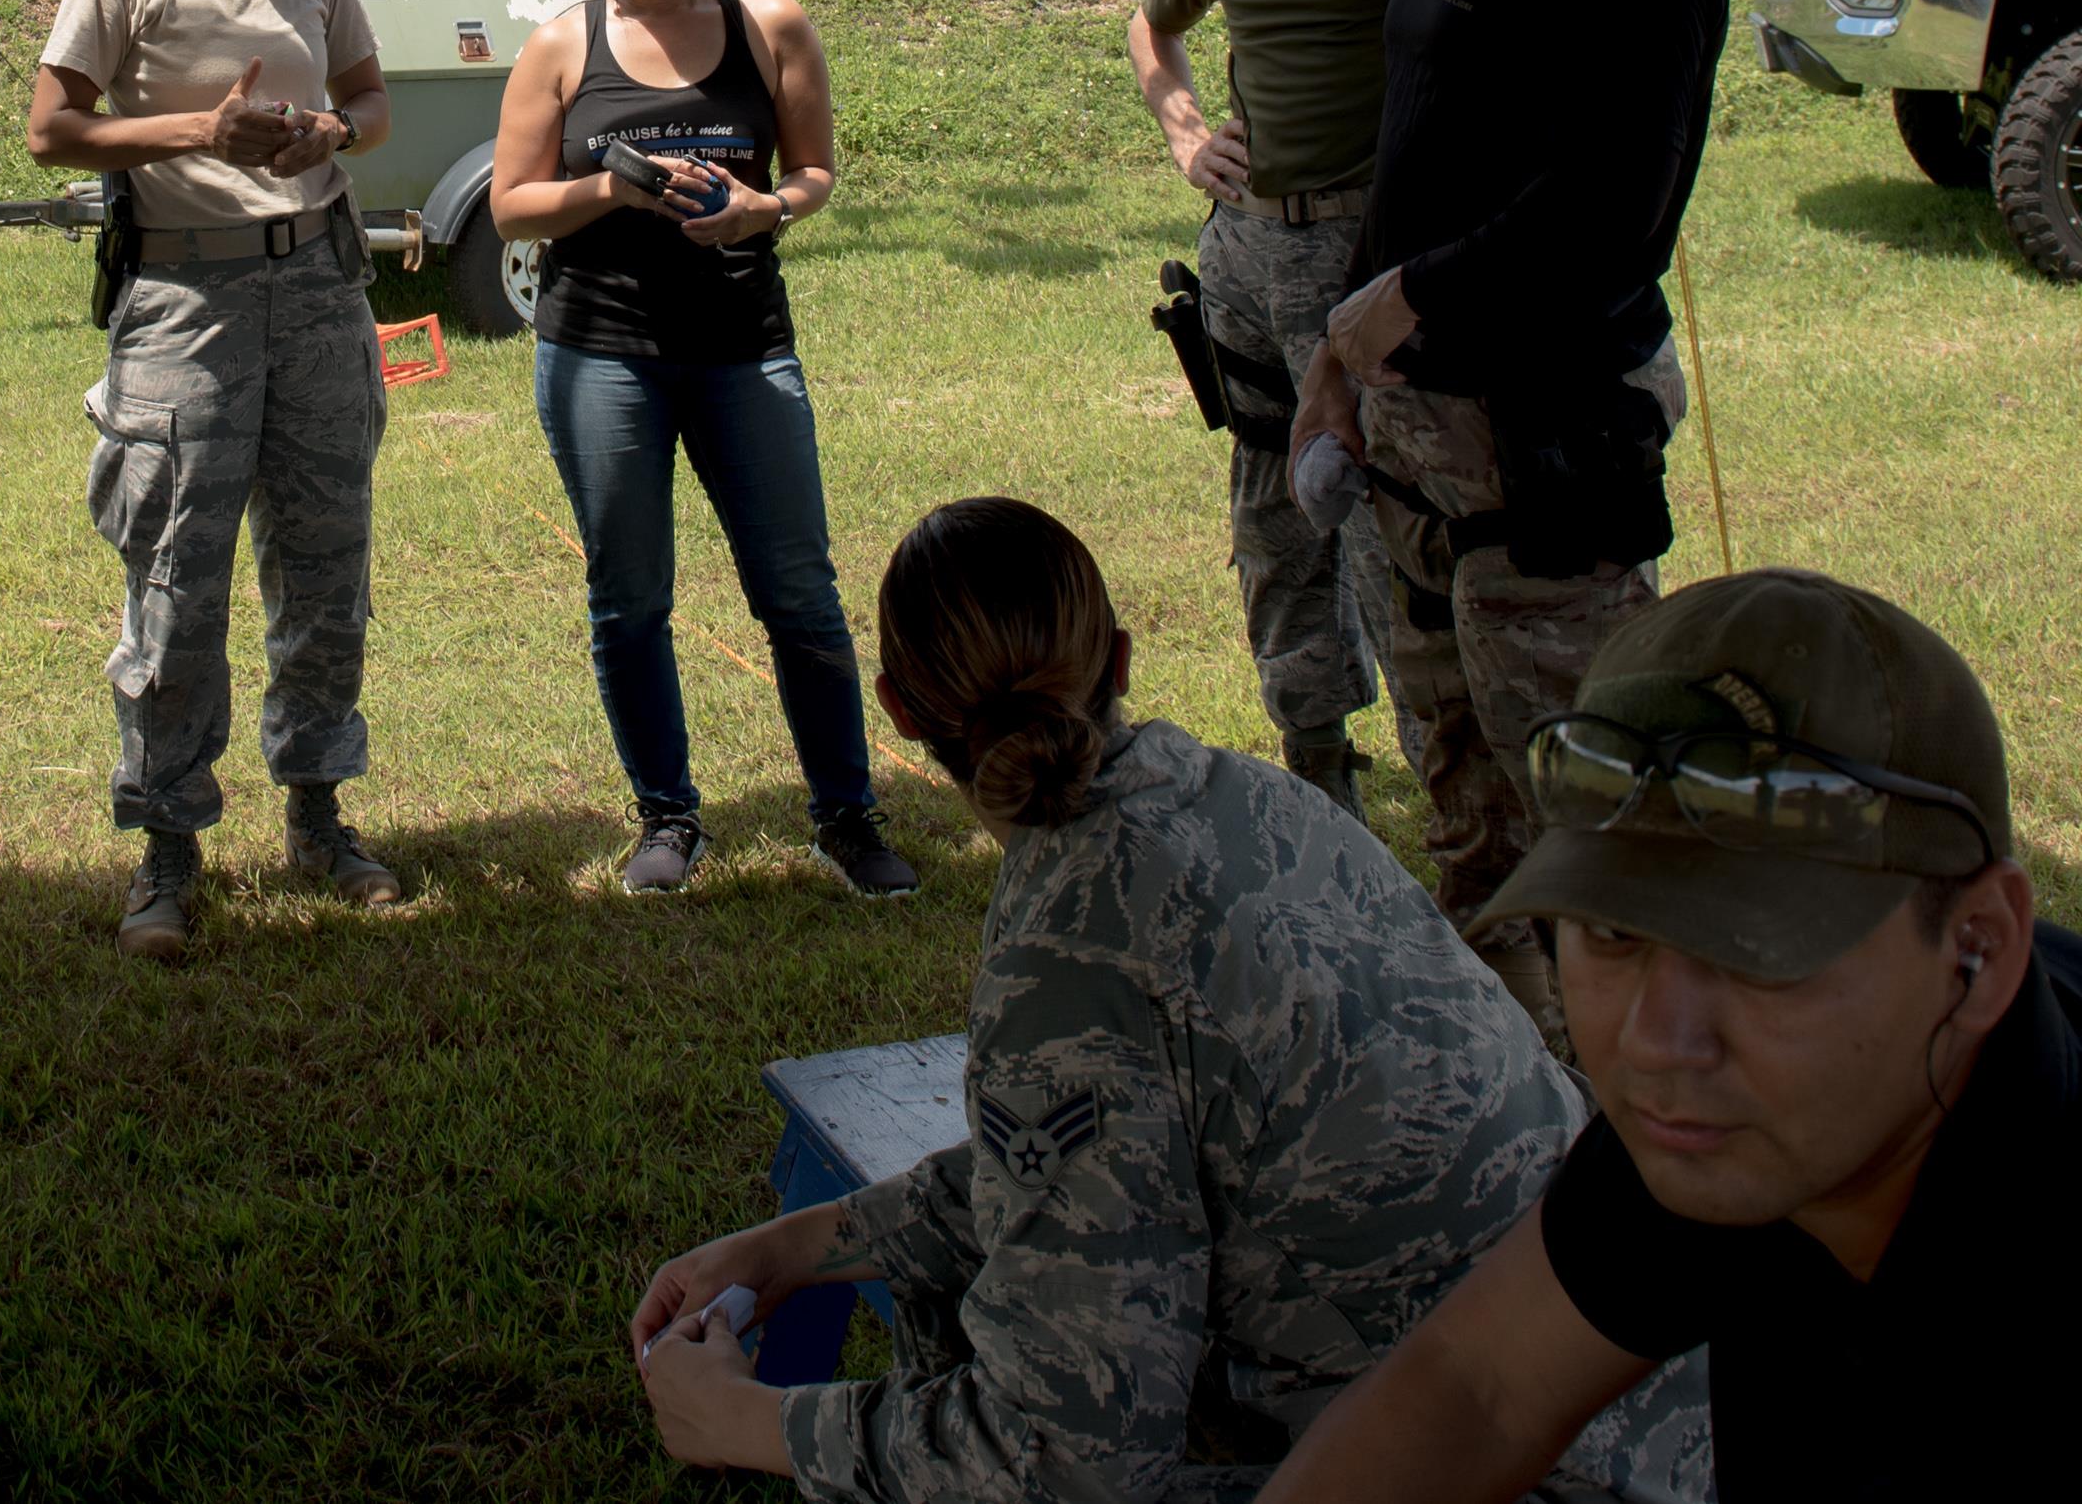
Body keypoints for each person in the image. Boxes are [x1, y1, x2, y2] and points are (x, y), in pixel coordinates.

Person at [630, 498, 1705, 1504]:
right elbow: (1094, 1177)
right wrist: (797, 1247)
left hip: (1520, 1458)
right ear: (1122, 659)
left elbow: (1058, 1457)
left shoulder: (1073, 952)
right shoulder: (1259, 803)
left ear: (901, 713)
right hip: (1654, 1404)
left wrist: (751, 1423)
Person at [1268, 568, 2067, 1503]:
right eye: (1613, 931)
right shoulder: (1761, 1109)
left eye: (1758, 951)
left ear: (1981, 948)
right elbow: (1479, 1389)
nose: (1657, 1038)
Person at [1290, 0, 1729, 1046]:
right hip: (1422, 467)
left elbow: (1612, 212)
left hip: (1537, 475)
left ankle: (1652, 1151)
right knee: (1473, 830)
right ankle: (1512, 1125)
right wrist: (1337, 360)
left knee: (1607, 843)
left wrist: (1408, 301)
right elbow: (1414, 162)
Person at [27, 0, 403, 960]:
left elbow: (372, 103)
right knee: (177, 579)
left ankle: (318, 812)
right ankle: (168, 844)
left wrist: (331, 132)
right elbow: (52, 132)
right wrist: (206, 128)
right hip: (184, 296)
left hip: (318, 282)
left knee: (325, 559)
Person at [489, 0, 912, 900]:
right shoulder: (561, 45)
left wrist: (765, 207)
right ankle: (668, 816)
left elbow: (814, 171)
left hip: (743, 350)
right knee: (629, 598)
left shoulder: (769, 23)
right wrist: (614, 191)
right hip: (601, 352)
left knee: (801, 595)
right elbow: (510, 208)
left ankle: (848, 817)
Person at [1126, 0, 1468, 820]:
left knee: (1386, 517)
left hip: (1373, 242)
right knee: (1272, 509)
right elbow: (1153, 23)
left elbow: (1485, 38)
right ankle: (1317, 762)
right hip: (1249, 253)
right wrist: (1185, 133)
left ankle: (1448, 772)